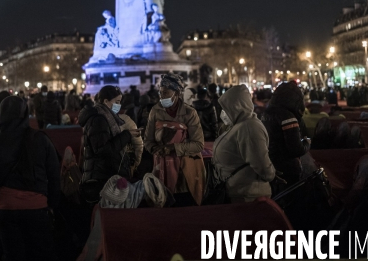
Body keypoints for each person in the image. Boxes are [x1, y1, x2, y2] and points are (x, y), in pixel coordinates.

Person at [0, 95, 60, 261]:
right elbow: (54, 176)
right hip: (37, 209)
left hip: (6, 211)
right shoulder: (41, 140)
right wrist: (51, 206)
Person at [144, 74, 205, 206]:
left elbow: (198, 145)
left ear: (176, 92)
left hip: (184, 171)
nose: (162, 96)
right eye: (160, 92)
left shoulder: (189, 113)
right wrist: (155, 149)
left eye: (166, 93)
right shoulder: (155, 111)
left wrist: (173, 148)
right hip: (160, 170)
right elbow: (148, 140)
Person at [212, 85, 275, 202]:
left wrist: (270, 174)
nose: (223, 112)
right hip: (239, 193)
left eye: (226, 108)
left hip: (249, 197)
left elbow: (262, 165)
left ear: (237, 107)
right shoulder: (238, 125)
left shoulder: (249, 127)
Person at [79, 86, 140, 203]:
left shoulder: (107, 117)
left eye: (120, 102)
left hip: (105, 174)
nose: (119, 105)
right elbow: (102, 149)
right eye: (116, 102)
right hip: (100, 178)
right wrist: (126, 135)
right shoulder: (98, 120)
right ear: (106, 101)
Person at [262, 81, 310, 186]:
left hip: (269, 163)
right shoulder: (288, 117)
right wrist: (307, 142)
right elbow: (296, 149)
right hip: (286, 167)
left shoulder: (266, 113)